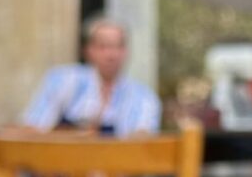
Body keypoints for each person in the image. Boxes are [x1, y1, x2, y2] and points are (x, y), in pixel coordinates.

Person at [23, 14, 161, 136]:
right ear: (88, 50)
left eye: (117, 46)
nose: (111, 55)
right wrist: (72, 134)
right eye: (103, 46)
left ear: (126, 51)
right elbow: (32, 130)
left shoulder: (143, 97)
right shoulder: (63, 80)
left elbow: (141, 146)